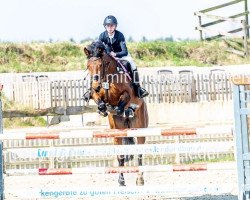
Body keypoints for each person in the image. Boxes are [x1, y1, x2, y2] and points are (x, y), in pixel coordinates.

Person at [83, 15, 148, 101]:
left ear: (115, 26)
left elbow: (124, 51)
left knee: (132, 64)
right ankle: (90, 90)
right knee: (96, 67)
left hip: (121, 55)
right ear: (105, 26)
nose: (110, 27)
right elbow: (98, 49)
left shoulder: (120, 35)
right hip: (108, 57)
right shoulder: (102, 36)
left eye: (112, 25)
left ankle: (138, 87)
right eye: (108, 25)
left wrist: (116, 54)